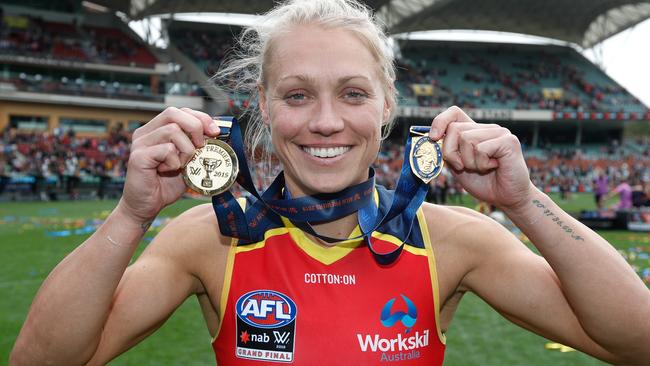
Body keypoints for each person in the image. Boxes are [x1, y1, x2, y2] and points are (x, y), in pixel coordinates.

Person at [10, 0, 650, 365]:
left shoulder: (451, 239)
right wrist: (128, 217)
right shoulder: (208, 241)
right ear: (263, 106)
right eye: (296, 95)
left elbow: (636, 338)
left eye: (352, 93)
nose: (324, 122)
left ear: (386, 105)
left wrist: (527, 202)